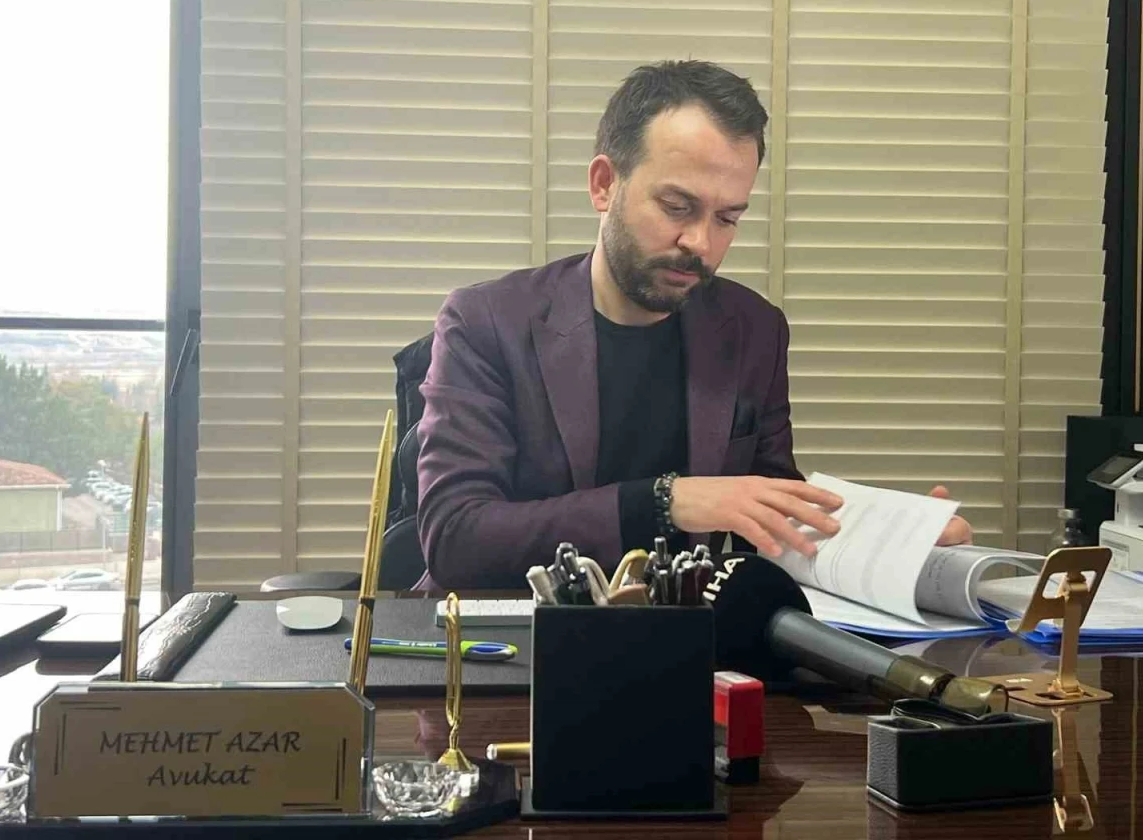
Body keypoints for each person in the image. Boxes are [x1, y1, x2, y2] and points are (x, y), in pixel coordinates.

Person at [415, 60, 971, 589]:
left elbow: (770, 518)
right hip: (515, 639)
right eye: (678, 207)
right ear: (604, 184)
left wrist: (893, 548)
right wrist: (665, 501)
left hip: (686, 635)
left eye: (727, 218)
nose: (701, 243)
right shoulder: (487, 322)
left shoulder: (753, 330)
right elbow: (455, 537)